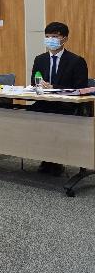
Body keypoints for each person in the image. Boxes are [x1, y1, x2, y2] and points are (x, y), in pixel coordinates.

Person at [29, 22, 89, 176]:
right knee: (26, 114)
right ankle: (43, 156)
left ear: (64, 39)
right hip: (44, 102)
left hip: (65, 105)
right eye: (47, 37)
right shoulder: (40, 59)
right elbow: (33, 82)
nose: (50, 40)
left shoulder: (76, 61)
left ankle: (55, 159)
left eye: (54, 37)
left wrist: (54, 87)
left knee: (55, 118)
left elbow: (80, 88)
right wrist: (39, 86)